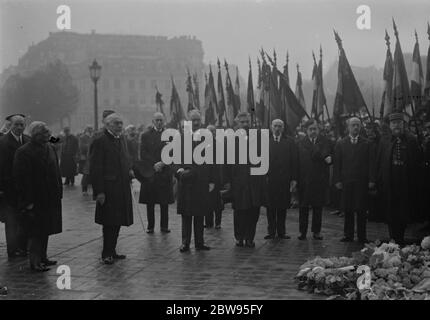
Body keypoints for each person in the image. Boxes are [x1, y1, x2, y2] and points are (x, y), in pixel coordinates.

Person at [13, 121, 62, 271]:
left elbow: (56, 172)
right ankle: (34, 262)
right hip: (35, 198)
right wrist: (27, 202)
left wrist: (59, 191)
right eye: (44, 133)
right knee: (35, 232)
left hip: (49, 197)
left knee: (45, 229)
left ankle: (43, 257)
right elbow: (20, 179)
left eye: (48, 133)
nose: (48, 135)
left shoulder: (50, 148)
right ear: (36, 135)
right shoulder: (24, 152)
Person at [89, 113, 134, 264]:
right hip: (108, 189)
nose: (120, 126)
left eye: (121, 123)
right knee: (109, 222)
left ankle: (113, 250)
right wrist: (99, 191)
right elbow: (96, 168)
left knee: (117, 220)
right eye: (116, 123)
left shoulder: (120, 139)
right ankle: (106, 253)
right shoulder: (100, 140)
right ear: (107, 125)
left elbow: (125, 158)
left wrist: (128, 170)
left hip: (121, 187)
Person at [376, 113, 422, 245]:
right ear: (390, 125)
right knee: (390, 212)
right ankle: (393, 238)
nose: (396, 125)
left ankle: (400, 238)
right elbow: (379, 161)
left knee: (403, 212)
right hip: (389, 182)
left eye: (399, 122)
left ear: (403, 124)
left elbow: (418, 163)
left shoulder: (412, 140)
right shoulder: (384, 141)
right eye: (394, 123)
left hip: (406, 183)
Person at [224, 112, 267, 248]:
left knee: (253, 211)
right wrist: (227, 181)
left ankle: (250, 237)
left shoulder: (257, 137)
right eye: (242, 122)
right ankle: (239, 237)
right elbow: (225, 162)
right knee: (240, 211)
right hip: (238, 181)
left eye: (247, 122)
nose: (245, 125)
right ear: (237, 124)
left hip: (255, 181)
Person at [175, 110, 213, 252]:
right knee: (186, 214)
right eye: (193, 120)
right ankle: (185, 242)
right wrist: (179, 172)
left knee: (199, 213)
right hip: (186, 182)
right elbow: (173, 158)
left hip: (201, 181)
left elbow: (213, 161)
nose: (196, 122)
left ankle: (199, 242)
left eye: (198, 120)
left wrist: (212, 180)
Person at [333, 117, 376, 244]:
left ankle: (362, 236)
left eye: (358, 125)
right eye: (353, 125)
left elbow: (371, 163)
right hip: (346, 181)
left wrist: (371, 179)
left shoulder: (367, 143)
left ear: (361, 127)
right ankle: (348, 235)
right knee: (348, 209)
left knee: (361, 210)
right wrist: (337, 180)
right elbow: (337, 164)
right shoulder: (341, 143)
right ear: (348, 127)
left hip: (361, 181)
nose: (356, 127)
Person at [137, 113, 174, 234]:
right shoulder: (146, 135)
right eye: (157, 120)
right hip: (150, 172)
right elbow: (143, 153)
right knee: (150, 202)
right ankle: (150, 226)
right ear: (153, 121)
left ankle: (164, 226)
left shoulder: (170, 135)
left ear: (164, 121)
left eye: (161, 120)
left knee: (164, 202)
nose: (159, 122)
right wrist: (154, 164)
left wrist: (163, 163)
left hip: (164, 171)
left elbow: (173, 152)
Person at [0, 114, 30, 258]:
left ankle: (23, 246)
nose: (19, 127)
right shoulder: (3, 142)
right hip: (9, 188)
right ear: (10, 126)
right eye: (16, 124)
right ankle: (13, 249)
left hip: (25, 188)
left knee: (24, 218)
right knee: (11, 221)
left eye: (22, 124)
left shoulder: (28, 140)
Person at [297, 119, 331, 240]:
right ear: (306, 130)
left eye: (315, 129)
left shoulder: (325, 142)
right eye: (310, 129)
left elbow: (328, 157)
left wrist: (327, 157)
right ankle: (302, 231)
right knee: (303, 207)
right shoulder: (301, 143)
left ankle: (316, 231)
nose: (313, 131)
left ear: (318, 130)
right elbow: (297, 162)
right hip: (304, 180)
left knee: (318, 207)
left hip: (319, 180)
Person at [265, 119, 298, 240]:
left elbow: (294, 162)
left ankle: (281, 231)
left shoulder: (289, 142)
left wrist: (294, 179)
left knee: (283, 206)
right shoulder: (265, 141)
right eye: (275, 126)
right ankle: (271, 231)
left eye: (280, 126)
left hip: (284, 180)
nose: (277, 128)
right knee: (270, 207)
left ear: (283, 128)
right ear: (271, 127)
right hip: (270, 180)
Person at [204, 124, 224, 229]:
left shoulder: (218, 145)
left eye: (212, 132)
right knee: (207, 201)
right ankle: (208, 222)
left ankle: (218, 222)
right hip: (206, 177)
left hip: (216, 177)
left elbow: (219, 164)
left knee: (217, 202)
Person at [78, 126, 93, 195]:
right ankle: (84, 190)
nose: (91, 130)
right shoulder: (83, 137)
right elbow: (81, 146)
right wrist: (89, 145)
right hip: (86, 158)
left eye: (91, 129)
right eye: (89, 129)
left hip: (92, 158)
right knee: (86, 174)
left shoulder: (93, 137)